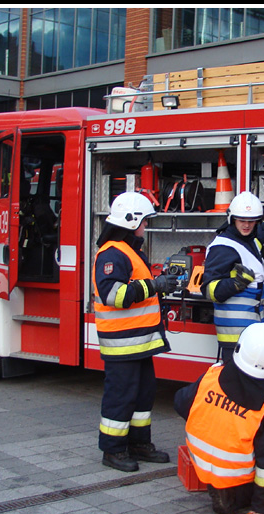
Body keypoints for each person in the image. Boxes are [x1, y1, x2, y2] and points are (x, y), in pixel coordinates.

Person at [93, 192, 181, 472]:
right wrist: (154, 286)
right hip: (123, 344)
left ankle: (139, 444)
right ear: (131, 222)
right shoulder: (111, 253)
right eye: (143, 222)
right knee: (121, 396)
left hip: (139, 342)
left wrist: (155, 284)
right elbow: (112, 295)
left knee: (143, 396)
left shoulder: (127, 250)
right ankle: (113, 450)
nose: (145, 227)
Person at [175, 322, 264, 514]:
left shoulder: (212, 375)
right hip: (233, 472)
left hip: (199, 459)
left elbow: (181, 402)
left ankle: (218, 484)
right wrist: (261, 507)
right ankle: (232, 497)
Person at [201, 191, 264, 363]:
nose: (247, 225)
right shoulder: (223, 247)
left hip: (251, 336)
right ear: (232, 219)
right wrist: (237, 283)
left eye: (251, 221)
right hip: (234, 340)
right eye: (242, 221)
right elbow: (208, 290)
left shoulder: (248, 241)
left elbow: (257, 237)